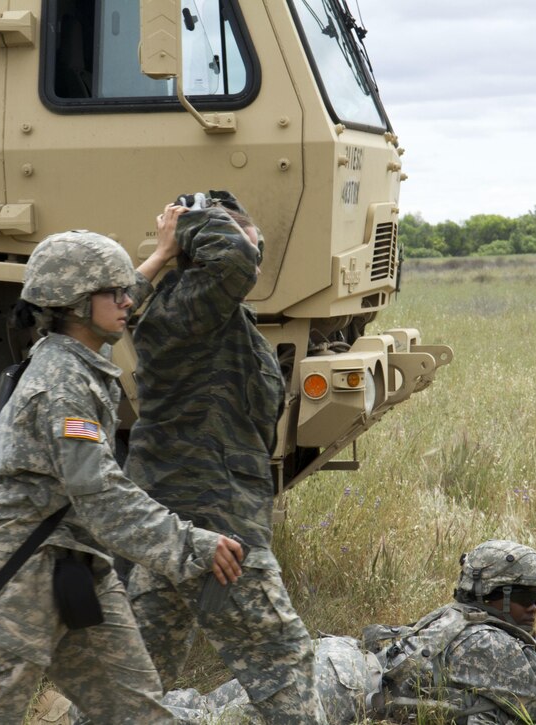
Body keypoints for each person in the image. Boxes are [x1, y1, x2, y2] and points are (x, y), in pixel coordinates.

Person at [0, 231, 246, 725]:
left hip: (74, 568)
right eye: (113, 294)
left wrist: (160, 255)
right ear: (74, 304)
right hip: (19, 574)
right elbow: (102, 497)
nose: (127, 303)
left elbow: (115, 300)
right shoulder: (60, 385)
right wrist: (193, 546)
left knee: (139, 712)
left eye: (126, 291)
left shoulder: (72, 350)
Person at [122, 192, 327, 723]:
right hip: (217, 532)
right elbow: (236, 255)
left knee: (134, 686)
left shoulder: (205, 314)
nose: (253, 258)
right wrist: (184, 226)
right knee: (283, 663)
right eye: (246, 245)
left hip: (172, 527)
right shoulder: (190, 311)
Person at [153, 540, 536, 724]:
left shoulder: (453, 617)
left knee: (198, 708)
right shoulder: (490, 643)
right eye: (524, 594)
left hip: (332, 659)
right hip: (337, 688)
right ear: (494, 592)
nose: (533, 606)